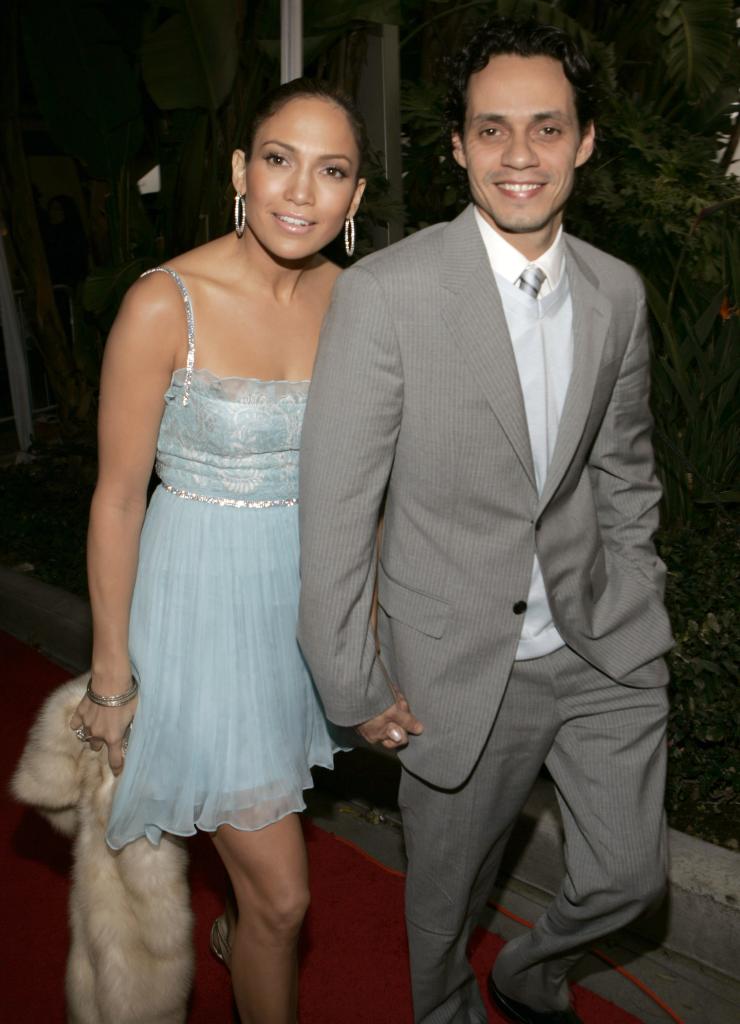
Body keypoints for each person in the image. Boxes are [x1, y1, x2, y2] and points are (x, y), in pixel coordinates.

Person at [298, 18, 674, 1024]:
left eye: (545, 129)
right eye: (491, 129)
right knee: (440, 916)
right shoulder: (385, 294)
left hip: (600, 651)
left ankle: (530, 970)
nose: (518, 156)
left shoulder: (616, 295)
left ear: (583, 141)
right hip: (459, 666)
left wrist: (635, 596)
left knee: (629, 879)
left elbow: (622, 469)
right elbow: (336, 506)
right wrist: (354, 682)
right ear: (456, 144)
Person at [70, 78, 366, 1024]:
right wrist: (111, 675)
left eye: (332, 171)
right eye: (279, 159)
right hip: (198, 610)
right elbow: (117, 499)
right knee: (286, 894)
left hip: (298, 605)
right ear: (243, 169)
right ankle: (259, 935)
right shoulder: (167, 303)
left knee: (265, 865)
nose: (299, 190)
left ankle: (246, 940)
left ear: (355, 198)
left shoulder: (353, 303)